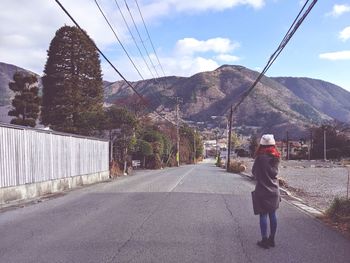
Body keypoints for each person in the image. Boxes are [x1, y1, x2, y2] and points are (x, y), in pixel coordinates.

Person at [252, 134, 281, 249]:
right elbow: (275, 173)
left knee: (263, 215)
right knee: (273, 214)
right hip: (274, 190)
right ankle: (272, 239)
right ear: (273, 145)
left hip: (262, 190)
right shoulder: (276, 157)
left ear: (261, 145)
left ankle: (264, 240)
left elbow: (254, 172)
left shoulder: (259, 158)